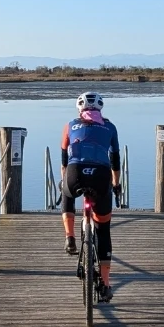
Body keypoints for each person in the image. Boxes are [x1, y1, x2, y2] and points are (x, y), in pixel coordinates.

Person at [60, 90, 122, 303]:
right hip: (101, 175)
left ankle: (70, 237)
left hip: (75, 173)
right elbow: (115, 160)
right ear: (100, 109)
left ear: (79, 108)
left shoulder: (69, 126)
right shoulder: (110, 127)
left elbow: (63, 159)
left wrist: (64, 180)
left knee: (66, 192)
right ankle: (105, 284)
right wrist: (116, 185)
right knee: (103, 230)